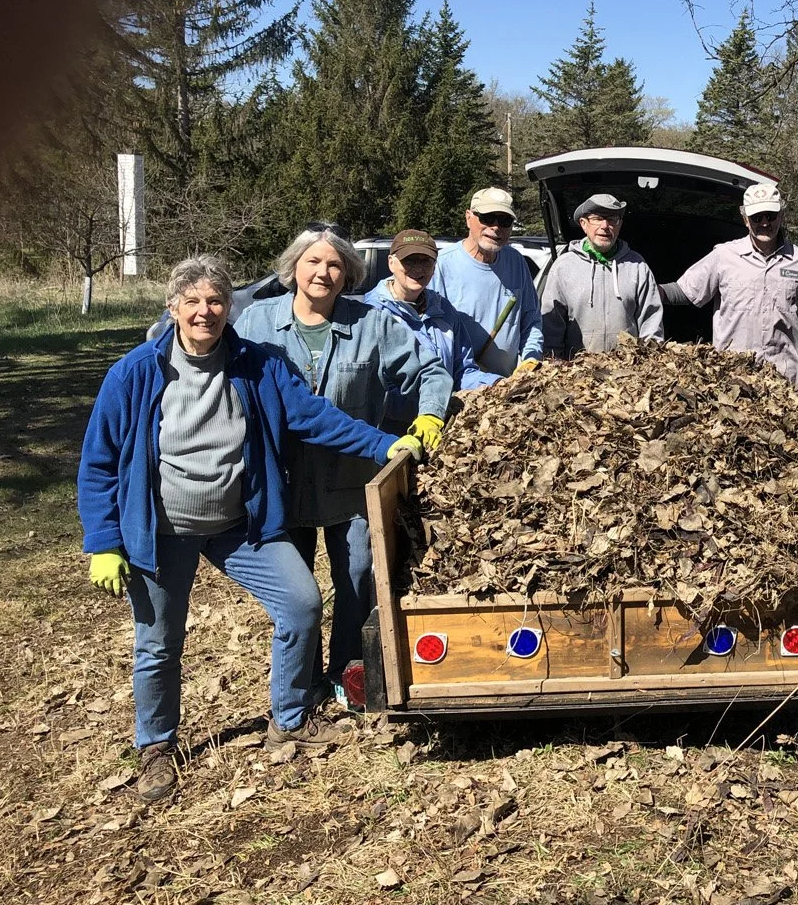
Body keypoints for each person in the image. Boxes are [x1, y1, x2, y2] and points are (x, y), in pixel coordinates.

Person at [79, 256, 422, 803]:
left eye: (216, 300)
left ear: (228, 307)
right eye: (192, 301)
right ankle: (156, 747)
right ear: (173, 308)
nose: (205, 311)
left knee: (301, 604)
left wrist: (384, 445)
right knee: (159, 643)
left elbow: (313, 416)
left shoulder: (255, 364)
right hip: (162, 530)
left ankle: (290, 718)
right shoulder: (136, 372)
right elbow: (99, 462)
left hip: (239, 526)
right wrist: (103, 542)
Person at [236, 224, 452, 698]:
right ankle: (303, 681)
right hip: (281, 481)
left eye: (335, 264)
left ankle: (348, 675)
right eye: (313, 262)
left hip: (352, 481)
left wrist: (430, 414)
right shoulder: (256, 323)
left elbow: (431, 370)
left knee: (355, 577)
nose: (323, 272)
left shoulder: (371, 324)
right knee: (296, 593)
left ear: (349, 274)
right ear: (293, 268)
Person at [657, 182, 798, 387]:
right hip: (732, 379)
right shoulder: (724, 256)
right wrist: (651, 291)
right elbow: (685, 291)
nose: (764, 223)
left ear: (781, 215)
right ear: (745, 219)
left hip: (785, 380)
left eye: (770, 215)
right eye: (757, 217)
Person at [365, 229, 496, 412]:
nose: (418, 269)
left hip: (444, 419)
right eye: (410, 260)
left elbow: (463, 371)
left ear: (434, 267)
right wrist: (433, 405)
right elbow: (373, 387)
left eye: (425, 261)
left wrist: (497, 384)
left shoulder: (444, 310)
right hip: (395, 426)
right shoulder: (371, 314)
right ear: (391, 263)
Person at [430, 186, 544, 377]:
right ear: (468, 218)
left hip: (508, 385)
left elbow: (531, 319)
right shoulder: (441, 265)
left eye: (505, 221)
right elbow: (430, 333)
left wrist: (531, 357)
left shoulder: (516, 261)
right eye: (488, 218)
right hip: (459, 386)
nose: (496, 227)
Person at [541, 193, 664, 358]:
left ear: (620, 225)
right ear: (583, 224)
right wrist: (552, 361)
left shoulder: (637, 265)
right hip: (577, 369)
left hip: (628, 369)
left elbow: (651, 321)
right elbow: (551, 324)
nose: (605, 226)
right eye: (597, 219)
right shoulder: (564, 266)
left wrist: (652, 361)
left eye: (612, 219)